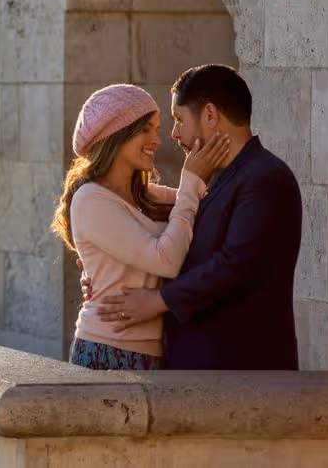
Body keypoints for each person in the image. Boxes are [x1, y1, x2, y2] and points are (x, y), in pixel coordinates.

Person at [87, 65, 303, 370]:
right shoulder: (217, 180)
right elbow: (173, 241)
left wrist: (159, 300)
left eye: (179, 120)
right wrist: (108, 272)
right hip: (203, 375)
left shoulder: (266, 178)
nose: (173, 134)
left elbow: (236, 265)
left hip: (242, 374)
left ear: (210, 115)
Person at [52, 83, 230, 370]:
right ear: (116, 134)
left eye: (156, 129)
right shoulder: (90, 199)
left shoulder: (147, 195)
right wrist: (190, 178)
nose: (157, 140)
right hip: (106, 351)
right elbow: (167, 260)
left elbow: (206, 205)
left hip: (158, 353)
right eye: (146, 129)